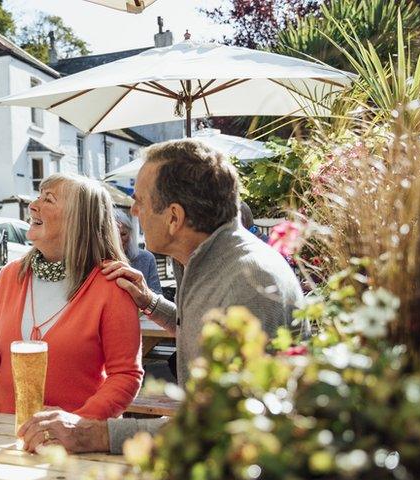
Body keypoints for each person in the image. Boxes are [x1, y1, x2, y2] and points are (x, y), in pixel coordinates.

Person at [19, 140, 304, 454]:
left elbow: (226, 423)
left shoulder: (250, 283)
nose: (134, 211)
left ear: (174, 218)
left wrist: (97, 434)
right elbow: (202, 328)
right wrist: (150, 302)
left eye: (140, 201)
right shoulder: (205, 259)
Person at [0, 173, 143, 421]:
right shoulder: (10, 275)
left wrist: (80, 424)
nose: (33, 205)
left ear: (79, 219)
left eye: (48, 199)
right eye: (38, 197)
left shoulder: (112, 285)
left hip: (69, 446)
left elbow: (125, 376)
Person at [115, 209, 161, 294]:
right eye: (114, 236)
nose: (119, 240)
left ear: (130, 234)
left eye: (123, 234)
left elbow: (157, 296)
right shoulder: (100, 262)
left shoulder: (146, 259)